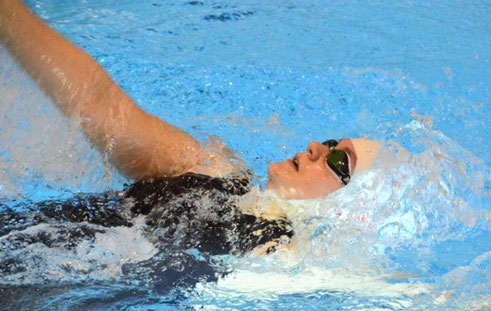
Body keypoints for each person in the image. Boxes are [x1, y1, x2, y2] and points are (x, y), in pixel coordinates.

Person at [0, 0, 381, 201]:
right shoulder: (215, 172)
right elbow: (101, 109)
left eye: (338, 160)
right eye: (330, 143)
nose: (315, 146)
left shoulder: (295, 270)